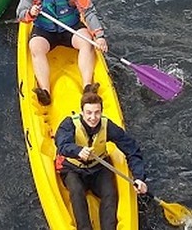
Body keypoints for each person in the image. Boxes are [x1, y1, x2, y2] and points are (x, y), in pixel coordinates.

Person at [17, 0, 107, 106]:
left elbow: (88, 11)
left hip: (70, 28)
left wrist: (99, 36)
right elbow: (21, 14)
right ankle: (45, 91)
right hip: (45, 31)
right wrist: (31, 12)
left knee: (86, 42)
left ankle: (87, 86)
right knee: (35, 46)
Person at [55, 92, 148, 230]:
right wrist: (77, 150)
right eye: (89, 113)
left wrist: (139, 177)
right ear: (82, 112)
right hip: (73, 169)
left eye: (97, 113)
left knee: (110, 193)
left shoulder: (107, 126)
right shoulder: (69, 124)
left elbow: (132, 149)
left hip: (98, 167)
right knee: (77, 191)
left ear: (101, 112)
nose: (93, 118)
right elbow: (62, 144)